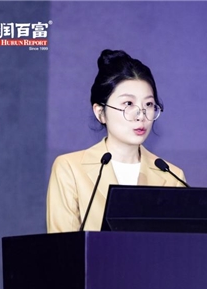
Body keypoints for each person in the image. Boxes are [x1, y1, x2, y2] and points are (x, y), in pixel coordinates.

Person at [46, 49, 186, 233]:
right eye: (128, 104)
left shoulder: (171, 177)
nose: (141, 115)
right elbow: (62, 246)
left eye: (149, 104)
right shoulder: (70, 169)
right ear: (100, 113)